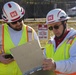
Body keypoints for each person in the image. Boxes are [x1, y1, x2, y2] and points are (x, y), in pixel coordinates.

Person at [0, 1, 41, 75]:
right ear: (7, 22)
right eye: (14, 22)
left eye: (20, 19)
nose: (18, 23)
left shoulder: (30, 32)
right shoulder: (0, 31)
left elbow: (38, 58)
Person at [42, 8, 76, 75]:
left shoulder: (74, 39)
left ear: (65, 23)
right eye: (51, 28)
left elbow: (74, 64)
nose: (54, 30)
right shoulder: (50, 43)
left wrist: (55, 65)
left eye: (56, 26)